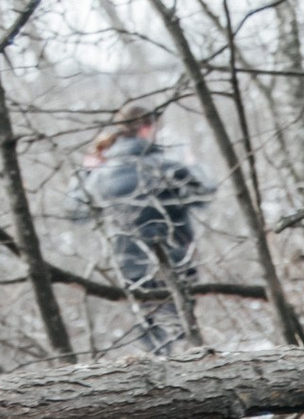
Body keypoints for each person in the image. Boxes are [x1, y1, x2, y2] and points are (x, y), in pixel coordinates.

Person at [71, 107, 213, 352]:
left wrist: (85, 172)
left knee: (154, 344)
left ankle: (161, 385)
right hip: (176, 264)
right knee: (183, 337)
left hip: (129, 269)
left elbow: (76, 211)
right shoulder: (167, 167)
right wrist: (192, 164)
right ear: (147, 127)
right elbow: (204, 193)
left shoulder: (100, 175)